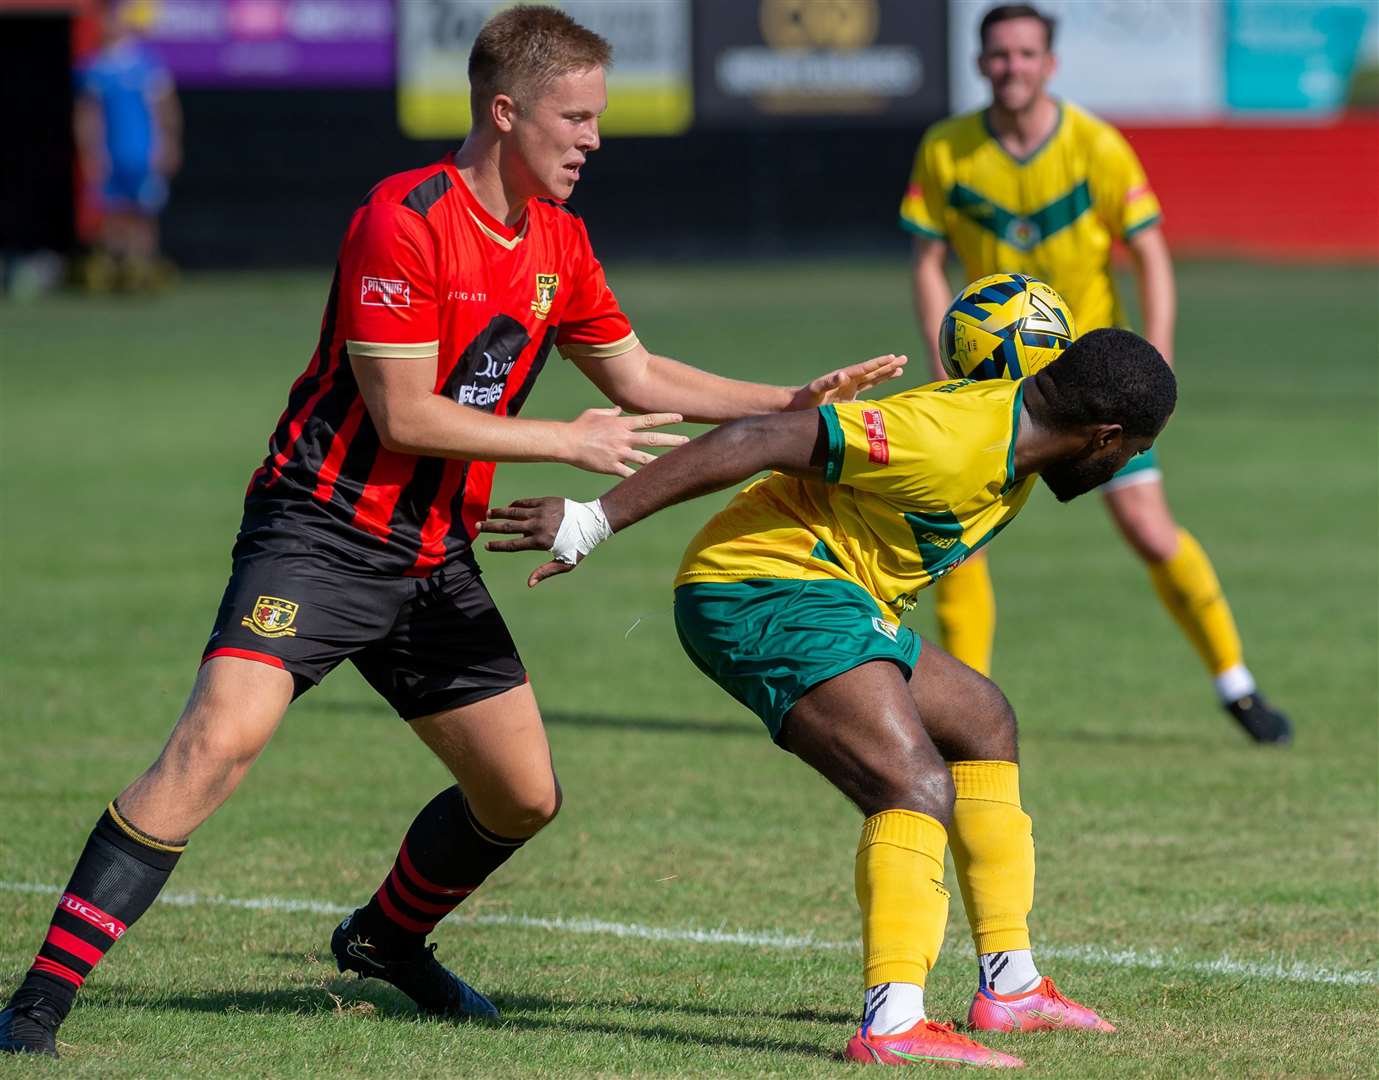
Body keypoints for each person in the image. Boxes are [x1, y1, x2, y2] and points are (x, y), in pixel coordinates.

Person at [0, 6, 905, 1059]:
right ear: (504, 110)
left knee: (520, 795)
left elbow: (638, 375)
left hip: (433, 556)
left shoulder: (559, 240)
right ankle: (35, 1010)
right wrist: (563, 443)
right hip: (321, 533)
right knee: (217, 742)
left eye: (598, 118)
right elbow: (404, 414)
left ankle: (385, 940)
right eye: (575, 117)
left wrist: (787, 399)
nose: (593, 139)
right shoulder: (404, 218)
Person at [480, 328, 1178, 1067]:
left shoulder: (1021, 431)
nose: (1128, 462)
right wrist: (592, 520)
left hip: (833, 595)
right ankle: (893, 1026)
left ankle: (1011, 989)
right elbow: (754, 439)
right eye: (1131, 448)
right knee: (910, 786)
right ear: (1100, 435)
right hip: (760, 589)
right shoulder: (950, 438)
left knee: (982, 719)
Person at [901, 3, 1291, 743]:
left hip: (1090, 386)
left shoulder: (1095, 146)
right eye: (998, 55)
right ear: (981, 63)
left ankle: (1235, 685)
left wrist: (1158, 350)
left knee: (1148, 529)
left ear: (1049, 63)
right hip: (993, 389)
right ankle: (958, 712)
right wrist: (937, 346)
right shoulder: (946, 148)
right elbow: (925, 260)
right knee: (957, 541)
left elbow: (1149, 251)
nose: (1010, 66)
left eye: (1024, 54)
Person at [74, 0, 182, 291]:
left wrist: (169, 144)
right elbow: (88, 116)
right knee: (113, 214)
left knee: (143, 213)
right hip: (111, 155)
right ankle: (115, 271)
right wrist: (90, 153)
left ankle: (143, 270)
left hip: (143, 154)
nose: (109, 25)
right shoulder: (94, 68)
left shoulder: (147, 64)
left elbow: (166, 109)